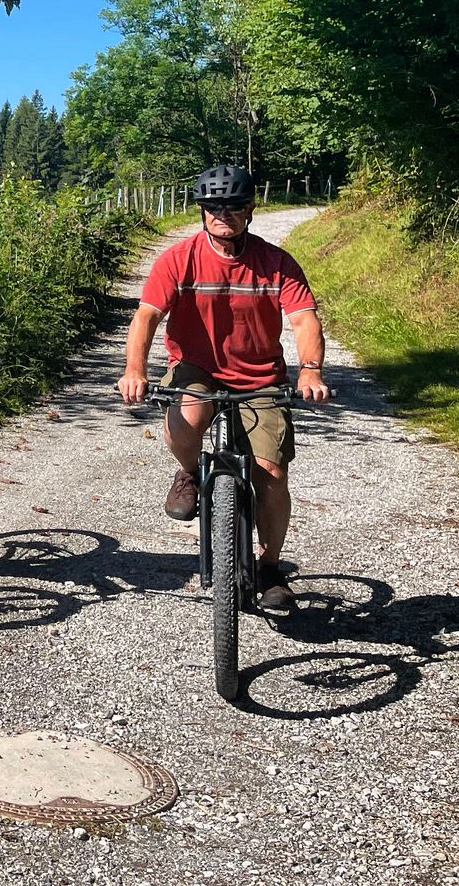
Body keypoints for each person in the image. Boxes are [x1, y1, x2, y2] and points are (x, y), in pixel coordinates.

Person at [117, 163, 330, 612]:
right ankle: (191, 472)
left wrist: (309, 370)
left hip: (261, 378)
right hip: (197, 367)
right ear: (201, 211)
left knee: (270, 472)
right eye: (213, 207)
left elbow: (304, 319)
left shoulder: (275, 262)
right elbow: (147, 317)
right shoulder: (179, 258)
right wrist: (134, 369)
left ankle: (270, 567)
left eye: (232, 206)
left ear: (250, 210)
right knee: (186, 417)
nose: (222, 214)